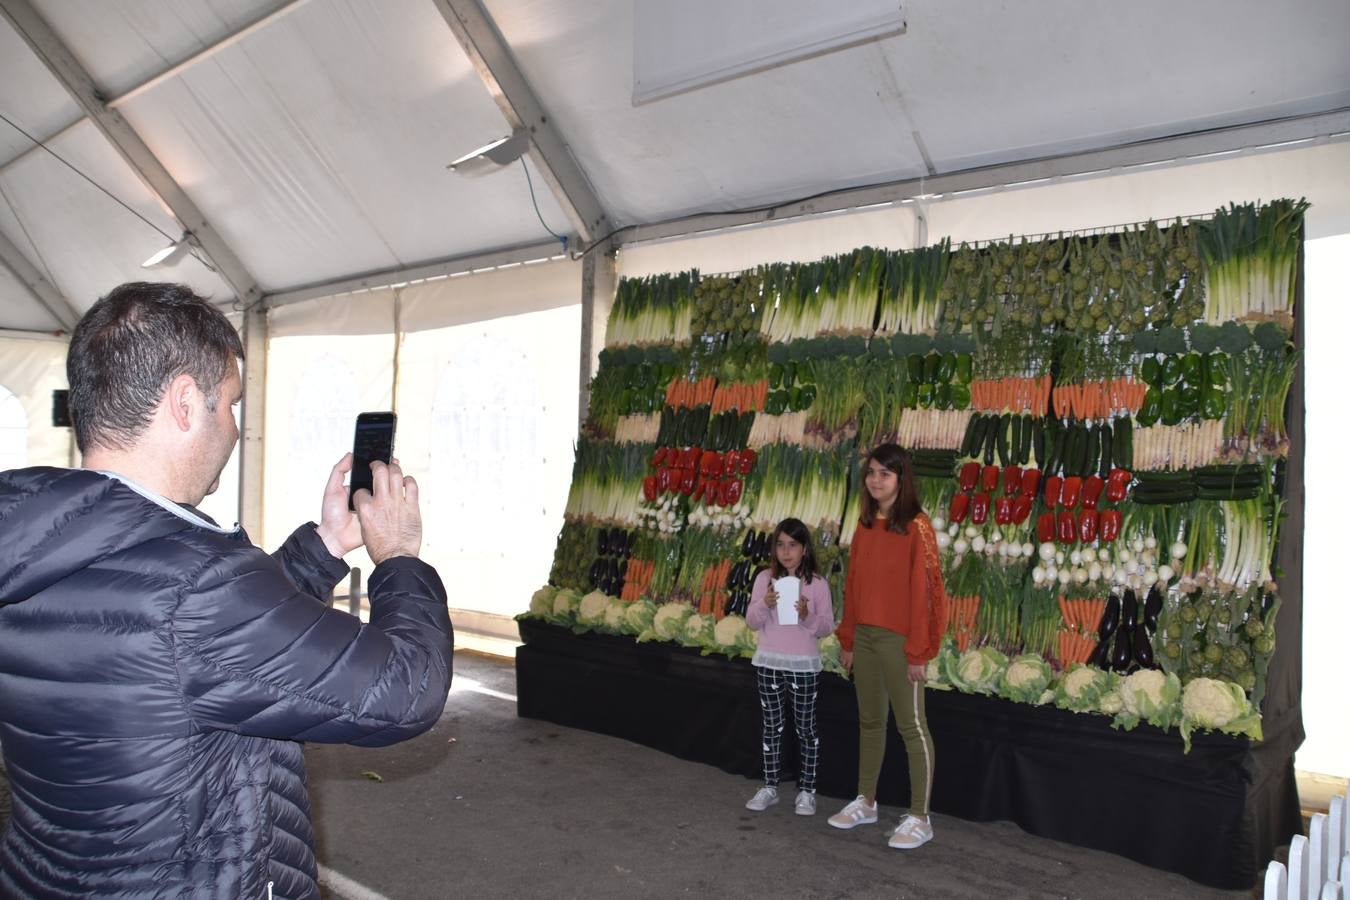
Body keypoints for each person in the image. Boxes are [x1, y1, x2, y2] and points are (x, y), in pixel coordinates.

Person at [0, 282, 453, 899]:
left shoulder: (42, 546)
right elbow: (406, 690)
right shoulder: (194, 587)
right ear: (186, 403)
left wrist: (325, 543)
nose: (236, 429)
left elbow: (211, 650)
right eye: (231, 404)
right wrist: (398, 557)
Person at [828, 443, 947, 850]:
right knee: (870, 722)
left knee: (912, 727)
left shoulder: (918, 526)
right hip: (865, 637)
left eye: (885, 473)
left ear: (902, 479)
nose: (875, 480)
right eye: (871, 473)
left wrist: (919, 650)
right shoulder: (863, 524)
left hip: (901, 642)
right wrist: (849, 638)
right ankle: (866, 801)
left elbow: (928, 593)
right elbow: (853, 585)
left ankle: (920, 817)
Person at [742, 517, 835, 816]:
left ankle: (807, 790)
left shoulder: (818, 585)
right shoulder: (764, 579)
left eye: (792, 545)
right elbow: (751, 621)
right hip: (769, 662)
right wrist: (764, 604)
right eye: (780, 545)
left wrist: (807, 614)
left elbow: (826, 628)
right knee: (772, 726)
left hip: (803, 667)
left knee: (806, 728)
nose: (786, 551)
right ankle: (770, 786)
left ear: (805, 549)